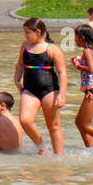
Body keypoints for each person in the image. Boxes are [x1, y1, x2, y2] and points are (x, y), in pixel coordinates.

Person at [15, 17, 67, 156]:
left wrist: (61, 95)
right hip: (29, 89)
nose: (25, 35)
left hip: (49, 90)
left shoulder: (52, 49)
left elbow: (62, 73)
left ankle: (58, 158)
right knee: (25, 120)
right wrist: (16, 79)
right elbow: (20, 64)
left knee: (53, 127)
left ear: (38, 32)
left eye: (27, 32)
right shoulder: (25, 46)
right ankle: (42, 147)